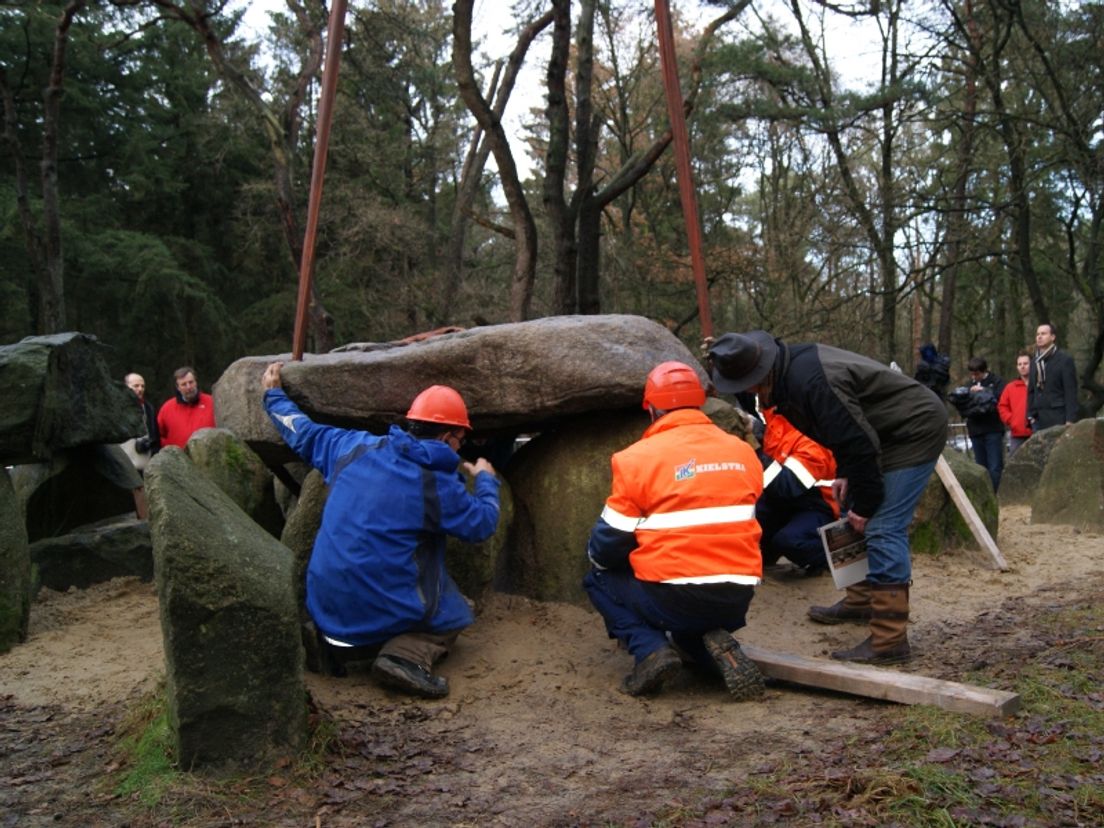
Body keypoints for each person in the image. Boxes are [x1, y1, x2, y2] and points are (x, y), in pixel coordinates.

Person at [262, 362, 500, 699]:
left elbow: (302, 431)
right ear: (448, 437)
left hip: (324, 606)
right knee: (455, 611)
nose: (462, 447)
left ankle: (325, 645)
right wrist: (487, 480)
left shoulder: (354, 446)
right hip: (376, 615)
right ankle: (404, 657)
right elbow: (483, 524)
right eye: (462, 440)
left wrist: (273, 396)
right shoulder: (437, 483)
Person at [708, 332, 948, 665]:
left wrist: (866, 503)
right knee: (848, 508)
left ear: (758, 375)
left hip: (912, 430)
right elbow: (846, 430)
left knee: (882, 526)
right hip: (877, 433)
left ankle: (889, 639)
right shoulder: (787, 374)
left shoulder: (810, 382)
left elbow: (857, 440)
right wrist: (848, 475)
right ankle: (861, 600)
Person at [583, 361, 766, 700]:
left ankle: (651, 650)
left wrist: (597, 555)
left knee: (598, 578)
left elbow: (607, 544)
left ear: (651, 409)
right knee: (688, 613)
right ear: (700, 403)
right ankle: (706, 647)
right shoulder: (742, 452)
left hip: (675, 596)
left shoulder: (635, 459)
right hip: (737, 594)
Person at [756, 406, 838, 576]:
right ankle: (770, 547)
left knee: (791, 541)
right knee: (745, 524)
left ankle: (844, 550)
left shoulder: (814, 436)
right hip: (782, 501)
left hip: (819, 505)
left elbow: (786, 485)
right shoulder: (776, 417)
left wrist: (754, 449)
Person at [956, 357, 1005, 492]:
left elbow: (1000, 400)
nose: (974, 377)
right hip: (975, 430)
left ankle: (995, 493)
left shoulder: (996, 382)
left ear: (984, 371)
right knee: (980, 467)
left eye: (977, 374)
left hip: (993, 429)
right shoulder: (968, 385)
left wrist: (984, 391)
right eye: (972, 374)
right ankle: (984, 494)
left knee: (995, 466)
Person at [1028, 323, 1079, 430]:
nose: (1039, 337)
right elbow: (1031, 390)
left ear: (1053, 337)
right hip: (1038, 418)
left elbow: (1070, 391)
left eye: (1043, 334)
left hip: (1058, 415)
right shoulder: (1034, 362)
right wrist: (1030, 415)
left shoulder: (1064, 360)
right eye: (1037, 334)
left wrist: (1070, 419)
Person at [156, 366, 216, 448]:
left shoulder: (211, 402)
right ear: (178, 387)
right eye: (184, 384)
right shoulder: (167, 408)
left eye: (191, 382)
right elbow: (157, 435)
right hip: (178, 458)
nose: (188, 387)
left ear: (196, 382)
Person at [120, 372, 161, 473]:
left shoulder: (148, 409)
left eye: (142, 386)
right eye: (136, 386)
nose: (140, 389)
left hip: (145, 469)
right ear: (126, 387)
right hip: (123, 470)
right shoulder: (117, 409)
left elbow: (155, 438)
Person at [998, 351, 1032, 455]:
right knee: (1015, 464)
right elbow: (1002, 406)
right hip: (1018, 433)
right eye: (1020, 364)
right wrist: (1012, 420)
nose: (1022, 367)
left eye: (1025, 364)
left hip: (1038, 431)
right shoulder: (1010, 387)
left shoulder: (1040, 385)